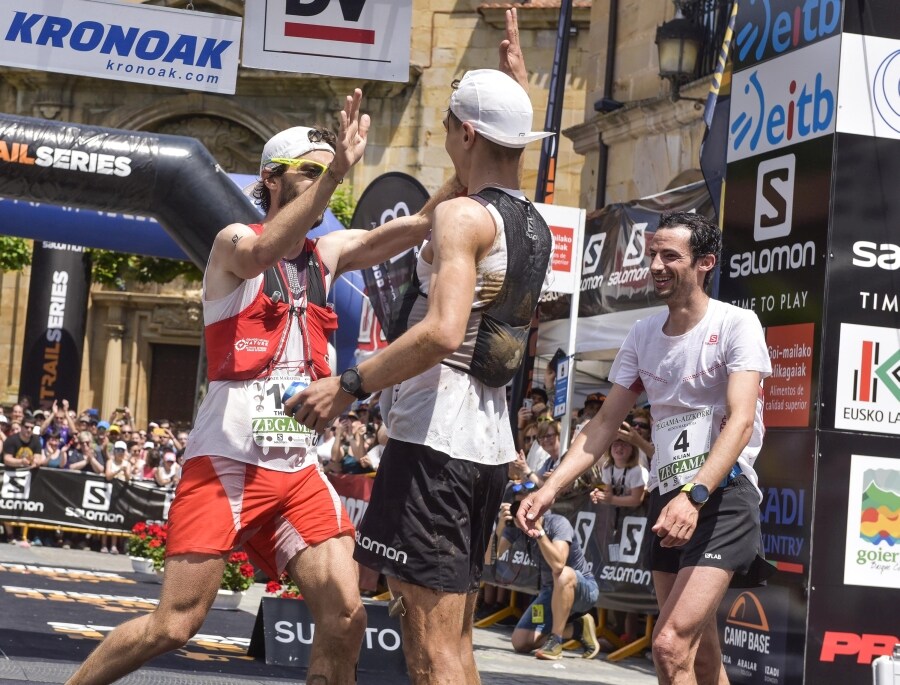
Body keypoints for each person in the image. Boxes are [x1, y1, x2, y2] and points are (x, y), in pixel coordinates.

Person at [66, 87, 457, 685]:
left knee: (346, 615)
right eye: (312, 169)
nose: (326, 176)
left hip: (296, 467)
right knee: (176, 623)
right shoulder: (232, 242)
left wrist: (471, 144)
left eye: (328, 168)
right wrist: (336, 177)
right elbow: (263, 251)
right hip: (226, 462)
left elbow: (421, 224)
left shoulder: (326, 254)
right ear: (271, 178)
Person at [290, 13, 555, 683]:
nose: (443, 142)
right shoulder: (531, 222)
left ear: (467, 133)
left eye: (446, 131)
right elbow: (499, 162)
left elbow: (441, 332)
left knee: (428, 647)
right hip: (484, 446)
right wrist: (513, 86)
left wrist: (348, 382)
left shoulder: (463, 216)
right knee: (456, 642)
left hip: (437, 444)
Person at [517, 211, 774, 684]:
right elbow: (603, 425)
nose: (656, 264)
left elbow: (739, 423)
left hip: (720, 498)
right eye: (651, 253)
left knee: (669, 645)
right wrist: (549, 488)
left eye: (669, 255)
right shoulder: (642, 334)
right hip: (667, 496)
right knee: (700, 654)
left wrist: (695, 496)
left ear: (705, 264)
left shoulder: (738, 324)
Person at [496, 486, 600, 661]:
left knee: (563, 574)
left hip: (582, 590)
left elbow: (558, 564)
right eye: (518, 508)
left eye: (527, 507)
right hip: (549, 592)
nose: (523, 513)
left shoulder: (558, 523)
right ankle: (577, 628)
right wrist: (500, 528)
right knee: (520, 642)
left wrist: (539, 533)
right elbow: (489, 558)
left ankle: (556, 641)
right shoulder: (515, 527)